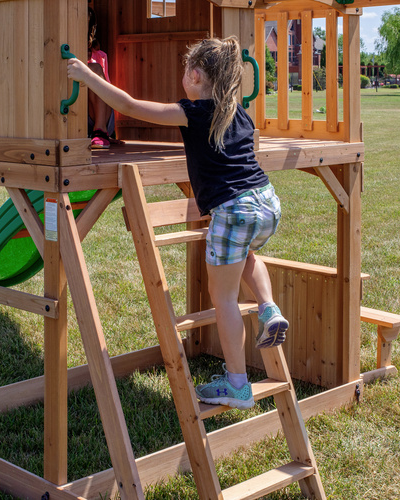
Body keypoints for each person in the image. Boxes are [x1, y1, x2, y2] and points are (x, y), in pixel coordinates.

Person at [67, 36, 289, 410]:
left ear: (197, 75)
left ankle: (237, 384)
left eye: (188, 68)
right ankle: (269, 309)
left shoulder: (194, 111)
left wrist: (87, 77)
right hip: (267, 202)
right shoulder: (237, 111)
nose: (183, 74)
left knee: (224, 299)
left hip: (234, 209)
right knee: (247, 255)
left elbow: (130, 106)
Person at [87, 7, 115, 149]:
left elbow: (107, 91)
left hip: (97, 118)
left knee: (94, 69)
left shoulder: (100, 56)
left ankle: (101, 131)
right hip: (73, 116)